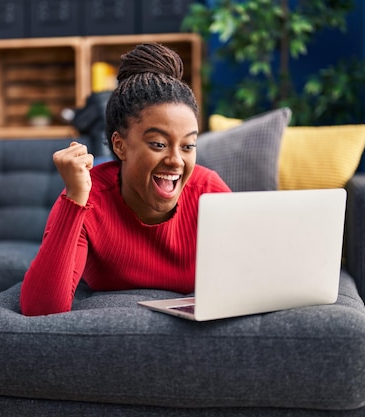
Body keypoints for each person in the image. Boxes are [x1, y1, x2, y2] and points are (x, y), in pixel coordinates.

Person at [20, 43, 231, 316]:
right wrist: (74, 199)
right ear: (119, 146)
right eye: (158, 144)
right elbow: (41, 309)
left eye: (188, 146)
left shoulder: (208, 190)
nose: (176, 160)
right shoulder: (87, 196)